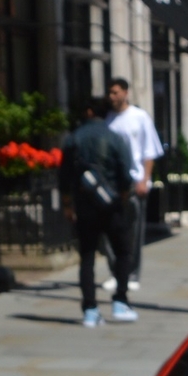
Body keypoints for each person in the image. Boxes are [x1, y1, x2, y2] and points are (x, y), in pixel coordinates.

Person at [62, 94, 137, 326]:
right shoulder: (114, 137)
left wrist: (67, 204)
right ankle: (120, 301)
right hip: (112, 205)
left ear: (89, 112)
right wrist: (122, 197)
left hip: (84, 206)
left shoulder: (73, 139)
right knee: (123, 252)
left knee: (87, 256)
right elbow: (126, 174)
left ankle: (91, 309)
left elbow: (64, 175)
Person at [104, 76, 164, 293]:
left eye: (116, 92)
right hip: (111, 184)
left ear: (126, 93)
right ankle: (115, 271)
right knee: (110, 230)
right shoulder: (107, 120)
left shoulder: (139, 117)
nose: (112, 97)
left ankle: (132, 273)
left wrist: (145, 179)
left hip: (133, 181)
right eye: (110, 93)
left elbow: (149, 151)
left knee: (134, 230)